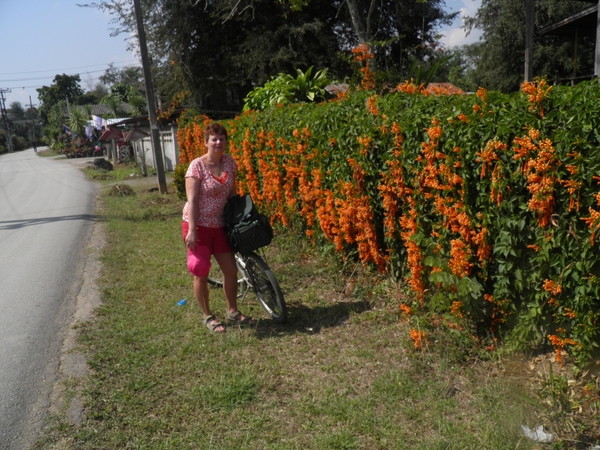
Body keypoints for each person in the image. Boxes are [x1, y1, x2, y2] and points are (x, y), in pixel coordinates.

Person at [182, 123, 253, 333]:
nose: (218, 142)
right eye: (214, 139)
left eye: (222, 138)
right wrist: (193, 230)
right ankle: (208, 316)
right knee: (200, 270)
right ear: (206, 142)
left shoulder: (230, 162)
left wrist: (238, 216)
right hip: (199, 224)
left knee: (230, 270)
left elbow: (231, 193)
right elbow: (193, 201)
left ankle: (233, 311)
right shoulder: (196, 166)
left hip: (221, 224)